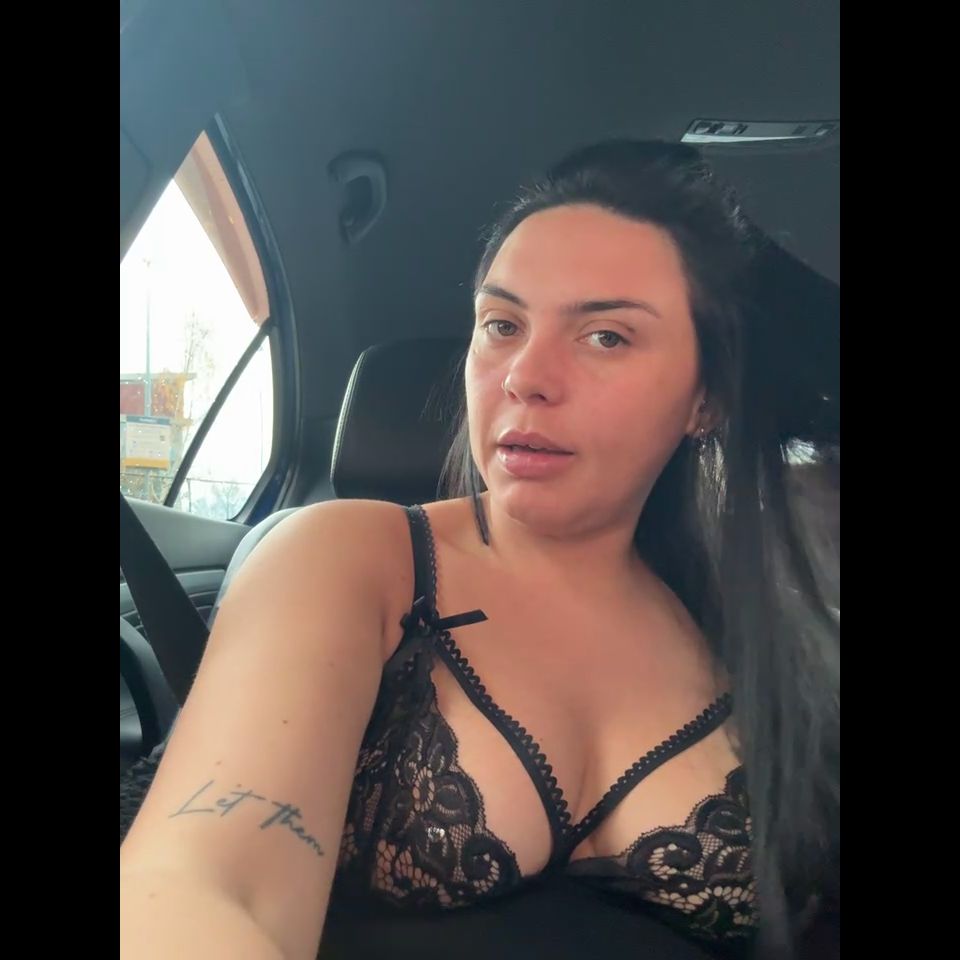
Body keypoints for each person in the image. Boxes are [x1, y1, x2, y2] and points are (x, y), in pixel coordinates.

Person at [120, 140, 840, 960]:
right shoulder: (348, 559)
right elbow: (208, 882)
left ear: (704, 399)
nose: (525, 376)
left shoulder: (750, 631)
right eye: (502, 325)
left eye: (606, 337)